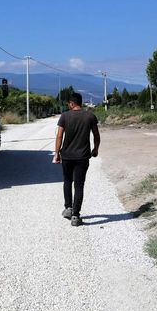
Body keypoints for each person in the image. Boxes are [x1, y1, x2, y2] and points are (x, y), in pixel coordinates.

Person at [53, 93, 100, 226]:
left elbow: (59, 136)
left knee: (67, 181)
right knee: (79, 185)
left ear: (72, 103)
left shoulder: (65, 116)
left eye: (69, 103)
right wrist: (95, 149)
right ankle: (75, 216)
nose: (69, 105)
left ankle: (68, 208)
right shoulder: (90, 116)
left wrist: (57, 153)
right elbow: (96, 135)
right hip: (82, 156)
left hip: (67, 156)